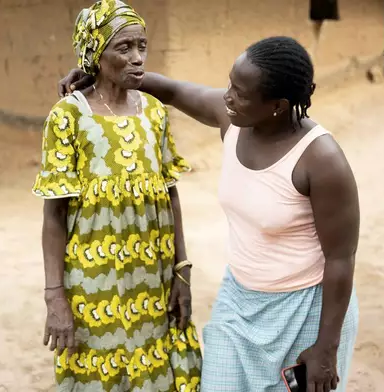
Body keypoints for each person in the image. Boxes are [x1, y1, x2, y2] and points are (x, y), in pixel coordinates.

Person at [59, 36, 360, 392]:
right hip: (240, 300)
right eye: (230, 83)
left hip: (306, 309)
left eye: (241, 93)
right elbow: (170, 90)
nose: (228, 96)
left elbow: (341, 259)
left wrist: (327, 348)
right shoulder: (231, 118)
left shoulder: (321, 160)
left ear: (278, 105)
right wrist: (101, 73)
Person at [33, 1, 202, 391]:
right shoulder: (68, 117)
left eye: (142, 46)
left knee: (160, 366)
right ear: (95, 52)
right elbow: (53, 215)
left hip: (155, 277)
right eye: (124, 48)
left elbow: (169, 195)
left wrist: (182, 269)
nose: (138, 58)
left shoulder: (155, 113)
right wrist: (54, 294)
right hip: (95, 279)